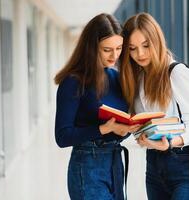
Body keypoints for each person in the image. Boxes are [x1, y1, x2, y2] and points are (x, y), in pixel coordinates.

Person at [119, 13, 189, 200]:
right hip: (154, 167)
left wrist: (170, 144)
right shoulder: (138, 78)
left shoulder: (176, 72)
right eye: (132, 49)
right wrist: (140, 135)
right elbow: (145, 124)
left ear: (157, 41)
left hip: (185, 166)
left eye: (146, 46)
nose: (140, 54)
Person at [54, 13, 140, 200]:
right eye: (107, 49)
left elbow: (119, 131)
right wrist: (104, 128)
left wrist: (125, 129)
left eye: (119, 48)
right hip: (87, 164)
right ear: (92, 48)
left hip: (115, 162)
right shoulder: (73, 81)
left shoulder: (117, 78)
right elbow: (62, 137)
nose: (114, 55)